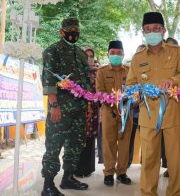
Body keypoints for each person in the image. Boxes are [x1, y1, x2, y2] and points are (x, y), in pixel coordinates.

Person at [126, 12, 180, 196]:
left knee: (175, 162)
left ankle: (176, 193)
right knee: (148, 161)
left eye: (156, 29)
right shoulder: (137, 57)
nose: (152, 32)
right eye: (148, 29)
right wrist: (135, 94)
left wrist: (172, 80)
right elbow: (131, 84)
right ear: (143, 32)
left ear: (163, 30)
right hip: (147, 116)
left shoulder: (176, 51)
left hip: (173, 114)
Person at [41, 17, 91, 196]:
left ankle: (68, 178)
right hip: (60, 109)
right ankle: (48, 185)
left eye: (76, 31)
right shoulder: (52, 51)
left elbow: (86, 81)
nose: (73, 34)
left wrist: (88, 106)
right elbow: (48, 81)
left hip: (79, 108)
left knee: (75, 145)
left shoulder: (81, 54)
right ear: (61, 32)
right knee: (54, 146)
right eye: (69, 31)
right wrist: (54, 105)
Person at [96, 40, 133, 186]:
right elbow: (100, 92)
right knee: (108, 142)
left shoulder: (130, 71)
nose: (116, 55)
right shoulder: (102, 72)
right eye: (113, 53)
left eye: (118, 53)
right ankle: (109, 173)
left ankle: (122, 172)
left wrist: (129, 101)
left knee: (124, 143)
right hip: (108, 111)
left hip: (126, 111)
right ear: (108, 54)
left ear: (123, 54)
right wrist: (112, 104)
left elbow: (134, 90)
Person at [162, 37, 180, 180]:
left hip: (179, 109)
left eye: (173, 46)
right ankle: (169, 167)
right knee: (166, 144)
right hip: (161, 112)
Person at [74, 46, 100, 177]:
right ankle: (77, 169)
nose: (89, 59)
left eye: (91, 56)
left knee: (90, 139)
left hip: (94, 111)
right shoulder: (76, 72)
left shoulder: (97, 73)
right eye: (86, 56)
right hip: (79, 111)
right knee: (78, 139)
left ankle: (88, 169)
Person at [128, 44, 145, 167]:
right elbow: (129, 87)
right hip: (133, 113)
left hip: (148, 113)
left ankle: (146, 163)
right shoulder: (132, 70)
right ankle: (126, 164)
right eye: (138, 53)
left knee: (148, 140)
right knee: (129, 139)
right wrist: (135, 99)